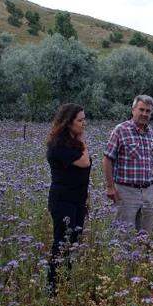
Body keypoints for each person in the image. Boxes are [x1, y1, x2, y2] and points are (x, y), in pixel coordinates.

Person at [46, 103, 92, 295]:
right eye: (80, 120)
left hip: (78, 200)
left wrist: (87, 196)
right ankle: (52, 288)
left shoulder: (73, 142)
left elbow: (84, 174)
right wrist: (82, 140)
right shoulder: (58, 144)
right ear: (68, 122)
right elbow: (84, 162)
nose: (84, 124)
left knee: (73, 242)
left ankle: (65, 281)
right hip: (63, 200)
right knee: (61, 243)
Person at [103, 95, 153, 233]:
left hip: (148, 191)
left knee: (145, 235)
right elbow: (107, 159)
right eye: (141, 109)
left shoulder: (149, 132)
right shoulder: (120, 130)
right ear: (133, 110)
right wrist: (110, 186)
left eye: (148, 111)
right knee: (124, 235)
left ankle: (143, 255)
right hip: (126, 191)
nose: (144, 114)